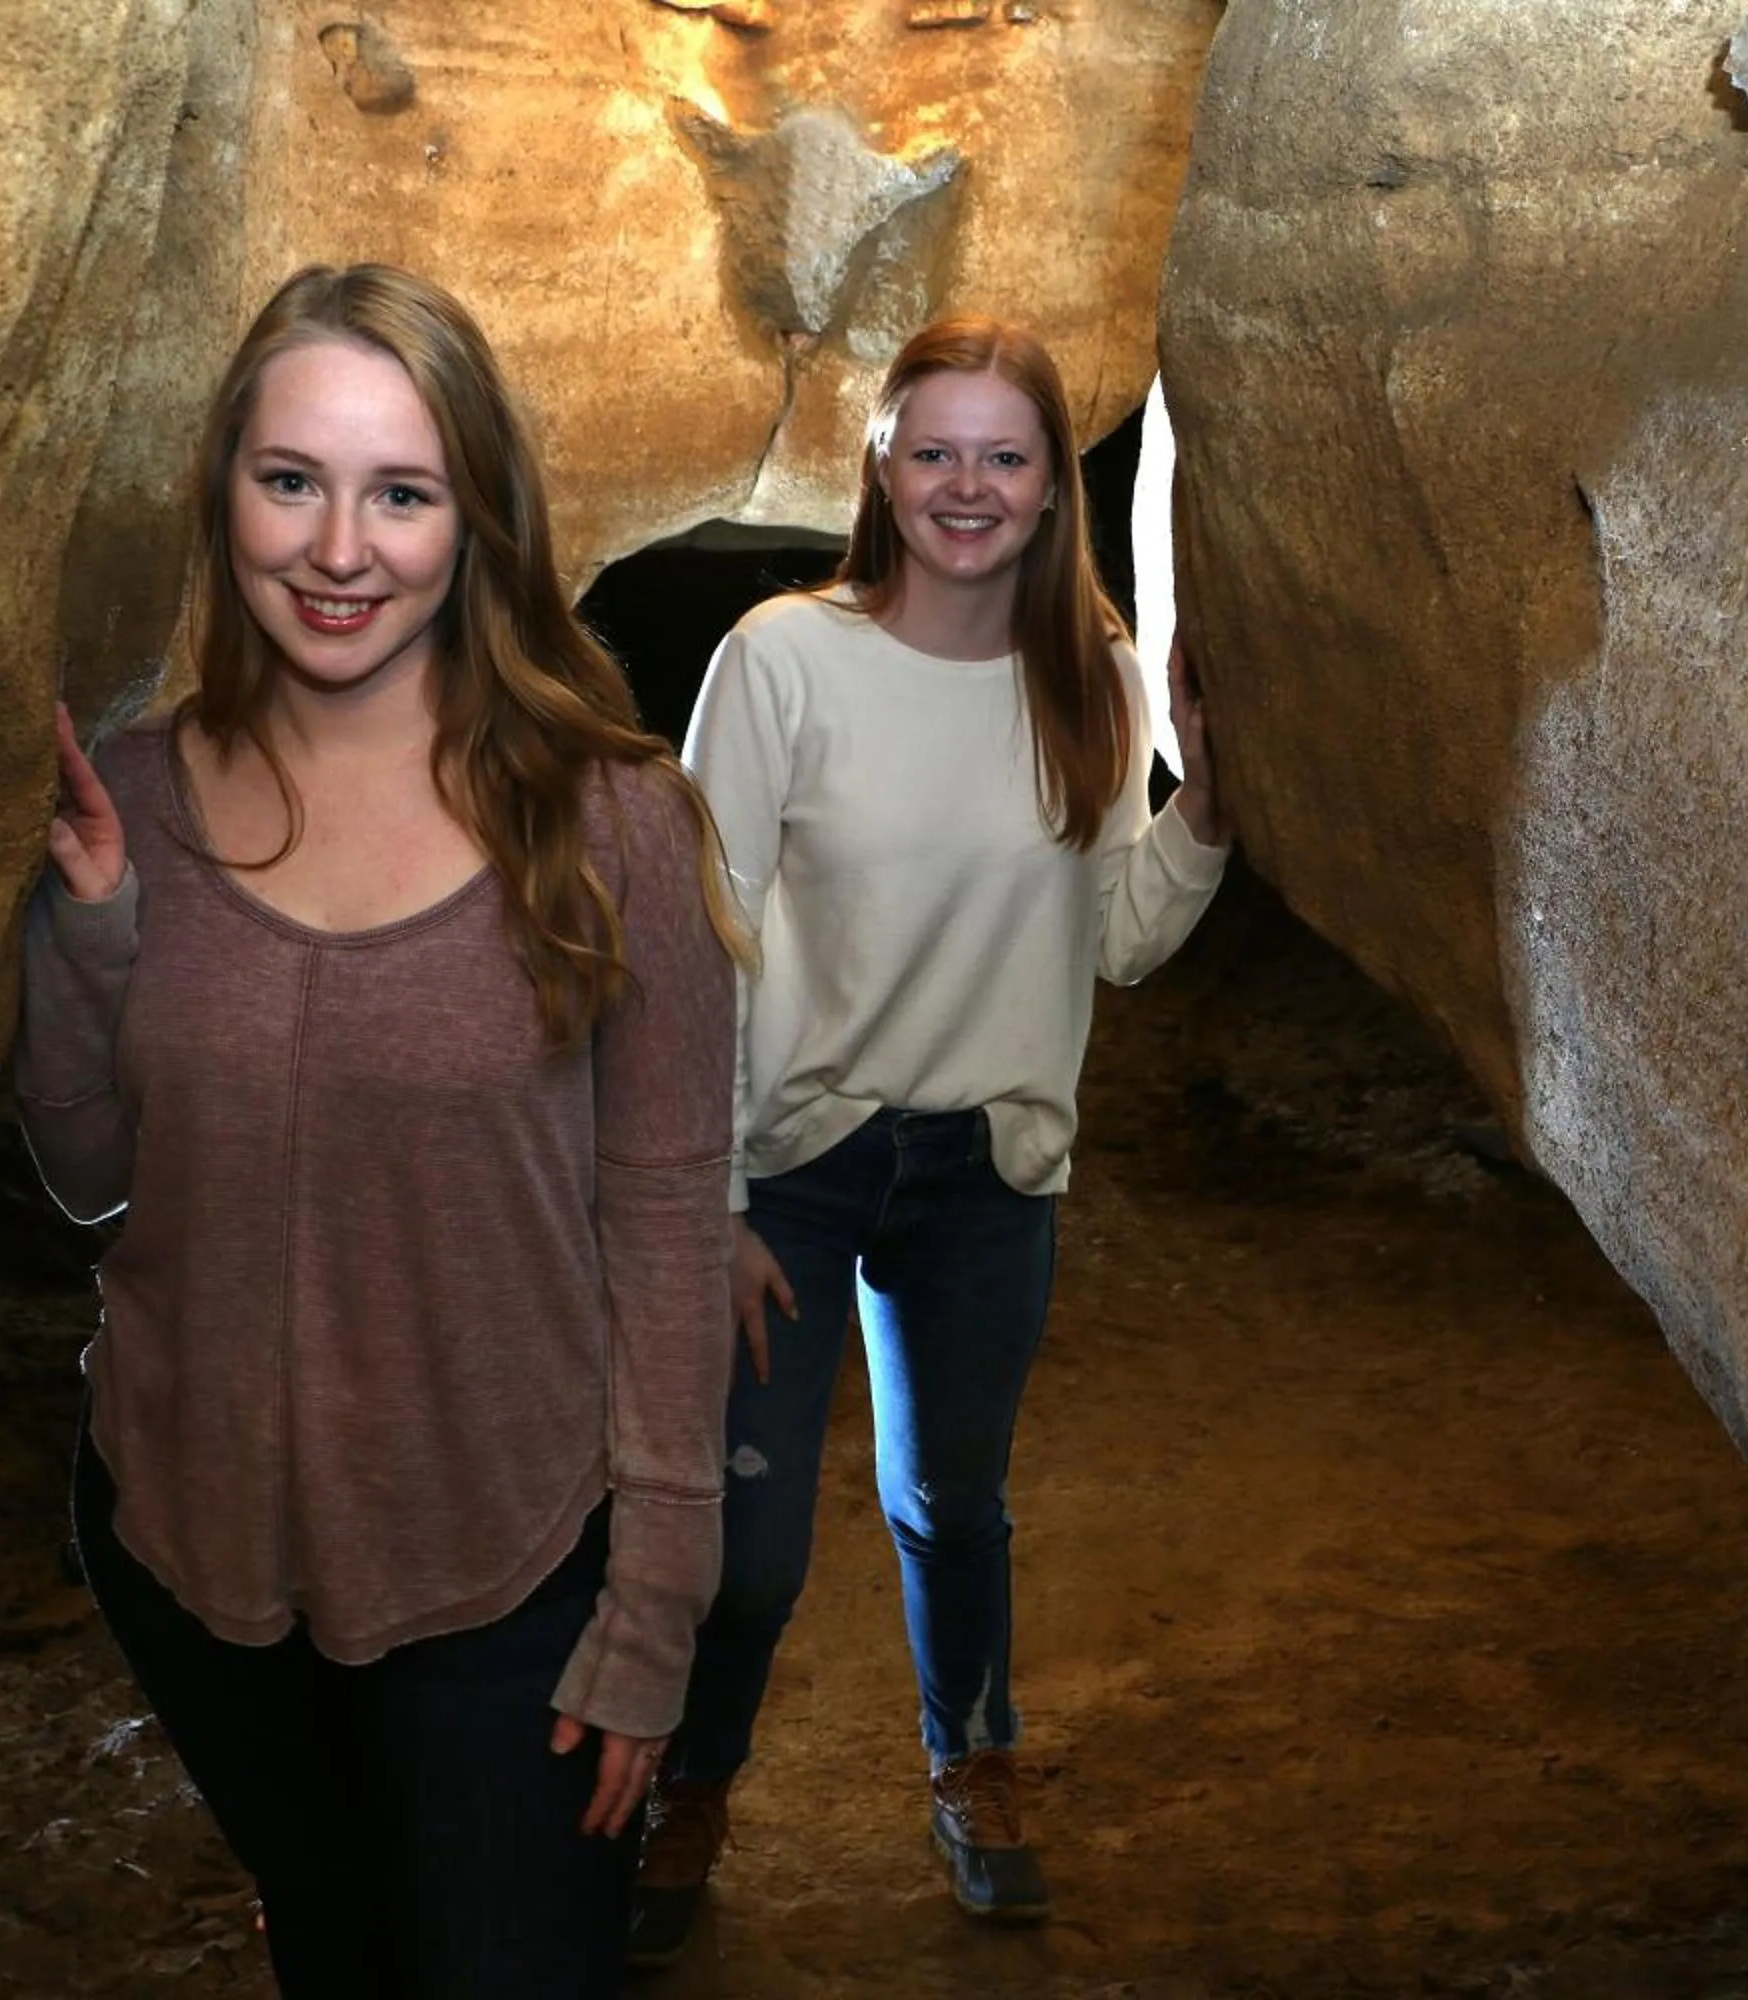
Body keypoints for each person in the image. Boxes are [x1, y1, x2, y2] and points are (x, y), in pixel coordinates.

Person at [13, 263, 741, 1999]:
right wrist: (97, 936)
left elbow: (666, 1224)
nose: (340, 549)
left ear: (473, 519)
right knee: (341, 1957)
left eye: (401, 493)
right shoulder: (138, 799)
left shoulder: (611, 819)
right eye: (293, 482)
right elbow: (92, 1186)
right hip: (197, 1557)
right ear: (225, 495)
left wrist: (655, 1613)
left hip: (507, 1575)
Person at [628, 315, 1232, 1962]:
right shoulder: (782, 659)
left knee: (952, 1500)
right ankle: (693, 1778)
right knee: (746, 1558)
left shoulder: (1093, 677)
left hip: (984, 1174)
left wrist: (1212, 807)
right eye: (935, 448)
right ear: (882, 467)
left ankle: (973, 1763)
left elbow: (1118, 936)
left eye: (1007, 456)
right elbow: (698, 934)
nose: (969, 485)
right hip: (796, 1168)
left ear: (1052, 491)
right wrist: (703, 1196)